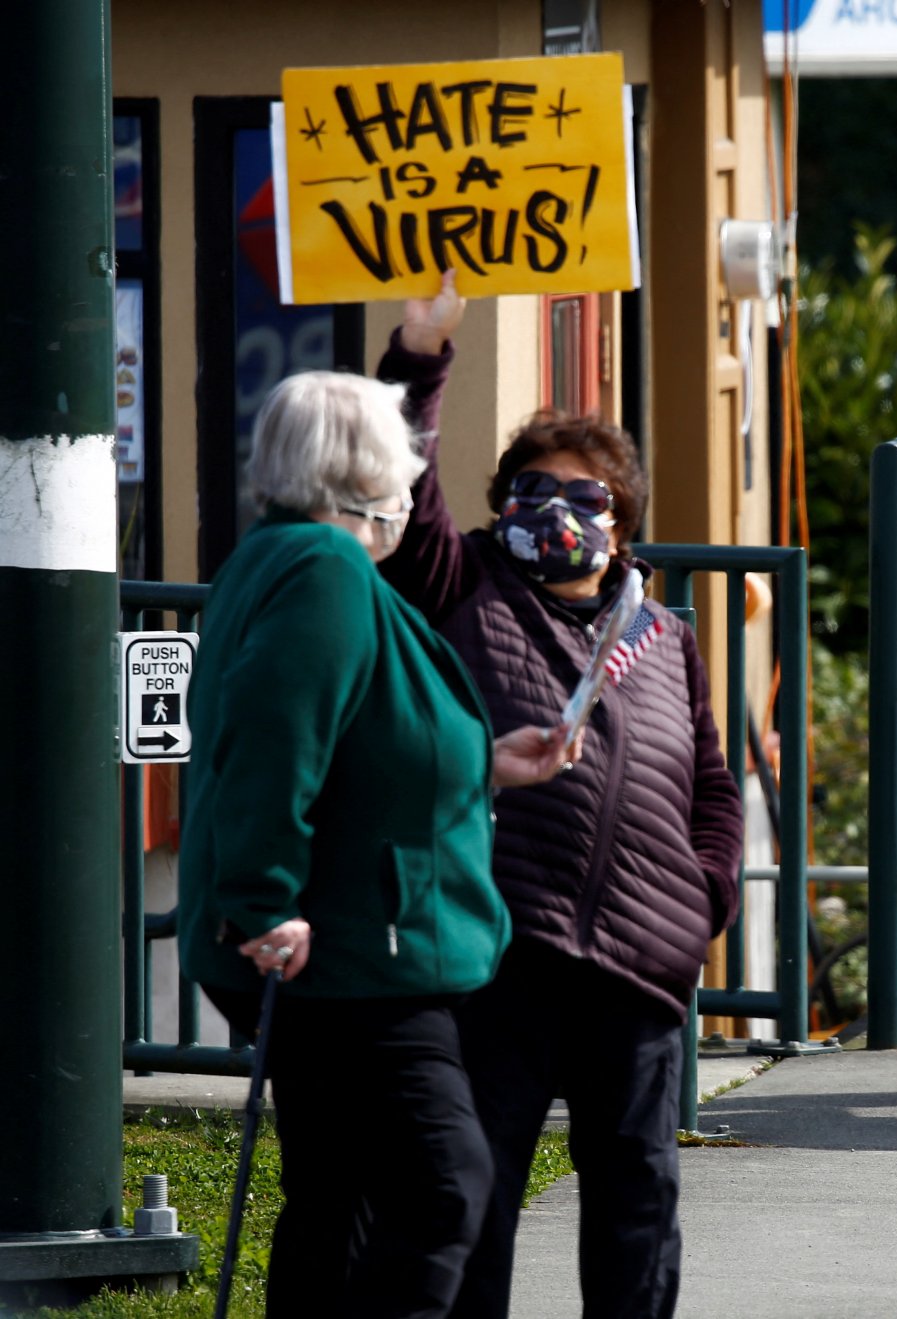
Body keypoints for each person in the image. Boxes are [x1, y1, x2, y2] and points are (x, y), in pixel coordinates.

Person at [376, 272, 744, 1319]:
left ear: (620, 523)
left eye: (584, 496)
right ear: (502, 505)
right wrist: (420, 353)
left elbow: (712, 786)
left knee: (637, 1197)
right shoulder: (460, 583)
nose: (556, 513)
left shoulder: (666, 637)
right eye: (532, 491)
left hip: (640, 963)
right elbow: (402, 480)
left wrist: (706, 889)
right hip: (502, 952)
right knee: (476, 1190)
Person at [178, 371, 578, 1318]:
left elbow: (359, 736)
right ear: (363, 471)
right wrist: (266, 895)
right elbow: (278, 737)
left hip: (346, 940)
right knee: (444, 1183)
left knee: (341, 1193)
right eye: (400, 458)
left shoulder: (286, 560)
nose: (411, 477)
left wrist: (483, 760)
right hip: (357, 950)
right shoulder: (323, 570)